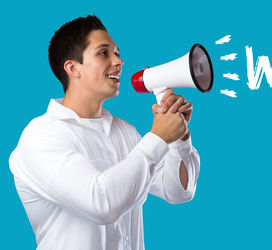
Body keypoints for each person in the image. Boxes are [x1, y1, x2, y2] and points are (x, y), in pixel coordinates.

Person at [9, 15, 200, 250]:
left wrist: (178, 137)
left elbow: (178, 191)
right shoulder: (41, 136)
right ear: (72, 68)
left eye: (118, 53)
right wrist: (158, 137)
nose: (119, 61)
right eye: (103, 53)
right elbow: (101, 203)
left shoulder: (125, 132)